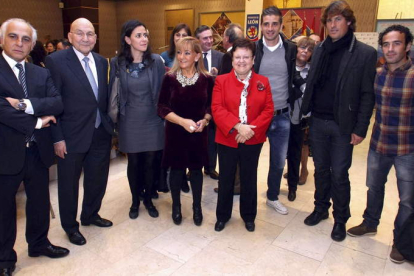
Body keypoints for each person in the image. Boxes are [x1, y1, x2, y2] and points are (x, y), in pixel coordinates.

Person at [301, 0, 376, 242]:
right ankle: (321, 208)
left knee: (340, 174)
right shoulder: (320, 48)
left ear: (349, 22)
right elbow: (312, 83)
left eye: (338, 20)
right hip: (318, 121)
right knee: (321, 170)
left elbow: (367, 95)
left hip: (343, 126)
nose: (332, 25)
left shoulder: (364, 53)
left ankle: (340, 219)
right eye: (329, 20)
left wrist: (360, 128)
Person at [0, 18, 69, 275]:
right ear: (2, 40)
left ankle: (38, 244)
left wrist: (22, 104)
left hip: (38, 151)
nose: (20, 43)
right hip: (6, 151)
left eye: (26, 39)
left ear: (32, 45)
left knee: (39, 201)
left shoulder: (40, 72)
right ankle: (5, 259)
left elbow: (57, 103)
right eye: (13, 37)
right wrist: (38, 122)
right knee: (5, 209)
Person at [347, 25, 414, 264]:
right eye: (386, 44)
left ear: (407, 46)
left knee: (407, 199)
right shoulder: (378, 74)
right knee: (374, 188)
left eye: (396, 43)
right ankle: (370, 223)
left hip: (408, 148)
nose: (391, 49)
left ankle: (401, 241)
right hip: (379, 144)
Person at [45, 18, 114, 246]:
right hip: (70, 135)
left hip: (99, 131)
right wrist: (58, 137)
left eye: (90, 34)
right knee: (68, 184)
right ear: (71, 36)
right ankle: (70, 226)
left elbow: (100, 99)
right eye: (80, 33)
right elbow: (52, 102)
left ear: (95, 37)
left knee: (97, 179)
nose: (86, 38)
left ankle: (90, 215)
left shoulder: (101, 61)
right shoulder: (56, 61)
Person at [213, 38, 274, 232]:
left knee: (249, 177)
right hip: (227, 137)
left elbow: (268, 110)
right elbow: (217, 108)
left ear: (253, 59)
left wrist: (249, 131)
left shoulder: (263, 82)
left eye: (246, 57)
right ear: (231, 60)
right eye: (237, 57)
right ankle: (222, 216)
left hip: (252, 139)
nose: (241, 61)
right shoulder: (221, 81)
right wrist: (238, 126)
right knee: (226, 178)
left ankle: (248, 216)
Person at [110, 20, 165, 219]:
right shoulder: (117, 63)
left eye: (145, 35)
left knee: (151, 162)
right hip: (129, 120)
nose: (144, 39)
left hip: (153, 120)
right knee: (134, 162)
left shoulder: (156, 61)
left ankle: (149, 199)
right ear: (127, 39)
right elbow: (112, 93)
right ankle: (135, 200)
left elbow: (163, 91)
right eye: (139, 35)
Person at [158, 37, 213, 226]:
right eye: (179, 52)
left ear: (197, 56)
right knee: (176, 171)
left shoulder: (206, 80)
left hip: (198, 135)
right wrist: (182, 121)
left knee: (197, 171)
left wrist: (205, 121)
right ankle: (176, 206)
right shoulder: (169, 79)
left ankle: (197, 207)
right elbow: (161, 108)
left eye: (187, 52)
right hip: (175, 133)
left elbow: (211, 107)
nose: (182, 57)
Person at [254, 6, 297, 215]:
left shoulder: (291, 49)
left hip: (282, 115)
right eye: (266, 24)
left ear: (280, 25)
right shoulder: (254, 49)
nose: (270, 28)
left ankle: (272, 196)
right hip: (257, 116)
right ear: (261, 26)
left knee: (279, 161)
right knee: (250, 159)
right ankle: (247, 196)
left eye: (274, 24)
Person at [214, 23, 244, 195]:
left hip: (229, 113)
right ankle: (237, 183)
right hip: (242, 112)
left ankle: (232, 184)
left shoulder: (228, 57)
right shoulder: (245, 56)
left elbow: (223, 84)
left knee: (228, 152)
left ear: (226, 39)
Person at [286, 37, 315, 201]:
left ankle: (292, 187)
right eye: (302, 47)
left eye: (309, 49)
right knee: (277, 155)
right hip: (282, 116)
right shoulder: (287, 68)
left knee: (295, 153)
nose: (305, 51)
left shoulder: (312, 71)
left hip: (299, 118)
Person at [195, 25, 224, 180]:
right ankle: (194, 167)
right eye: (205, 38)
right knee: (196, 138)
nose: (209, 40)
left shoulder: (220, 57)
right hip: (196, 104)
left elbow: (226, 81)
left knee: (213, 138)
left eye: (211, 37)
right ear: (197, 40)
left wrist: (217, 76)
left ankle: (211, 167)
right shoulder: (192, 56)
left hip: (214, 105)